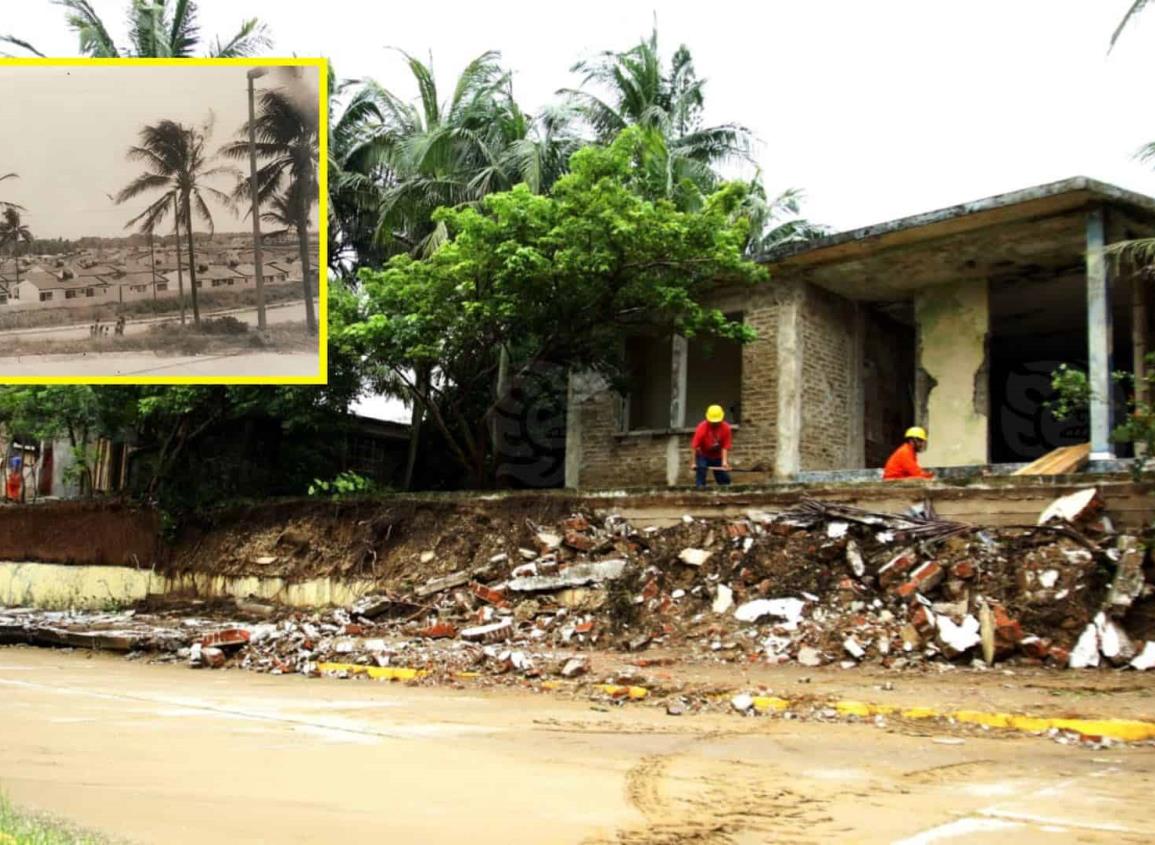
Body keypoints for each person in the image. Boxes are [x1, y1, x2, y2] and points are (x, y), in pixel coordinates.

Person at [690, 404, 732, 488]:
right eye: (713, 422)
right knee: (701, 471)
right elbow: (694, 446)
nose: (715, 424)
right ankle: (700, 490)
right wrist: (693, 463)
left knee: (723, 478)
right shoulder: (702, 427)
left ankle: (725, 490)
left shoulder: (726, 428)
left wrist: (724, 462)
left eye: (717, 422)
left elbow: (725, 447)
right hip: (703, 455)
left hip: (717, 456)